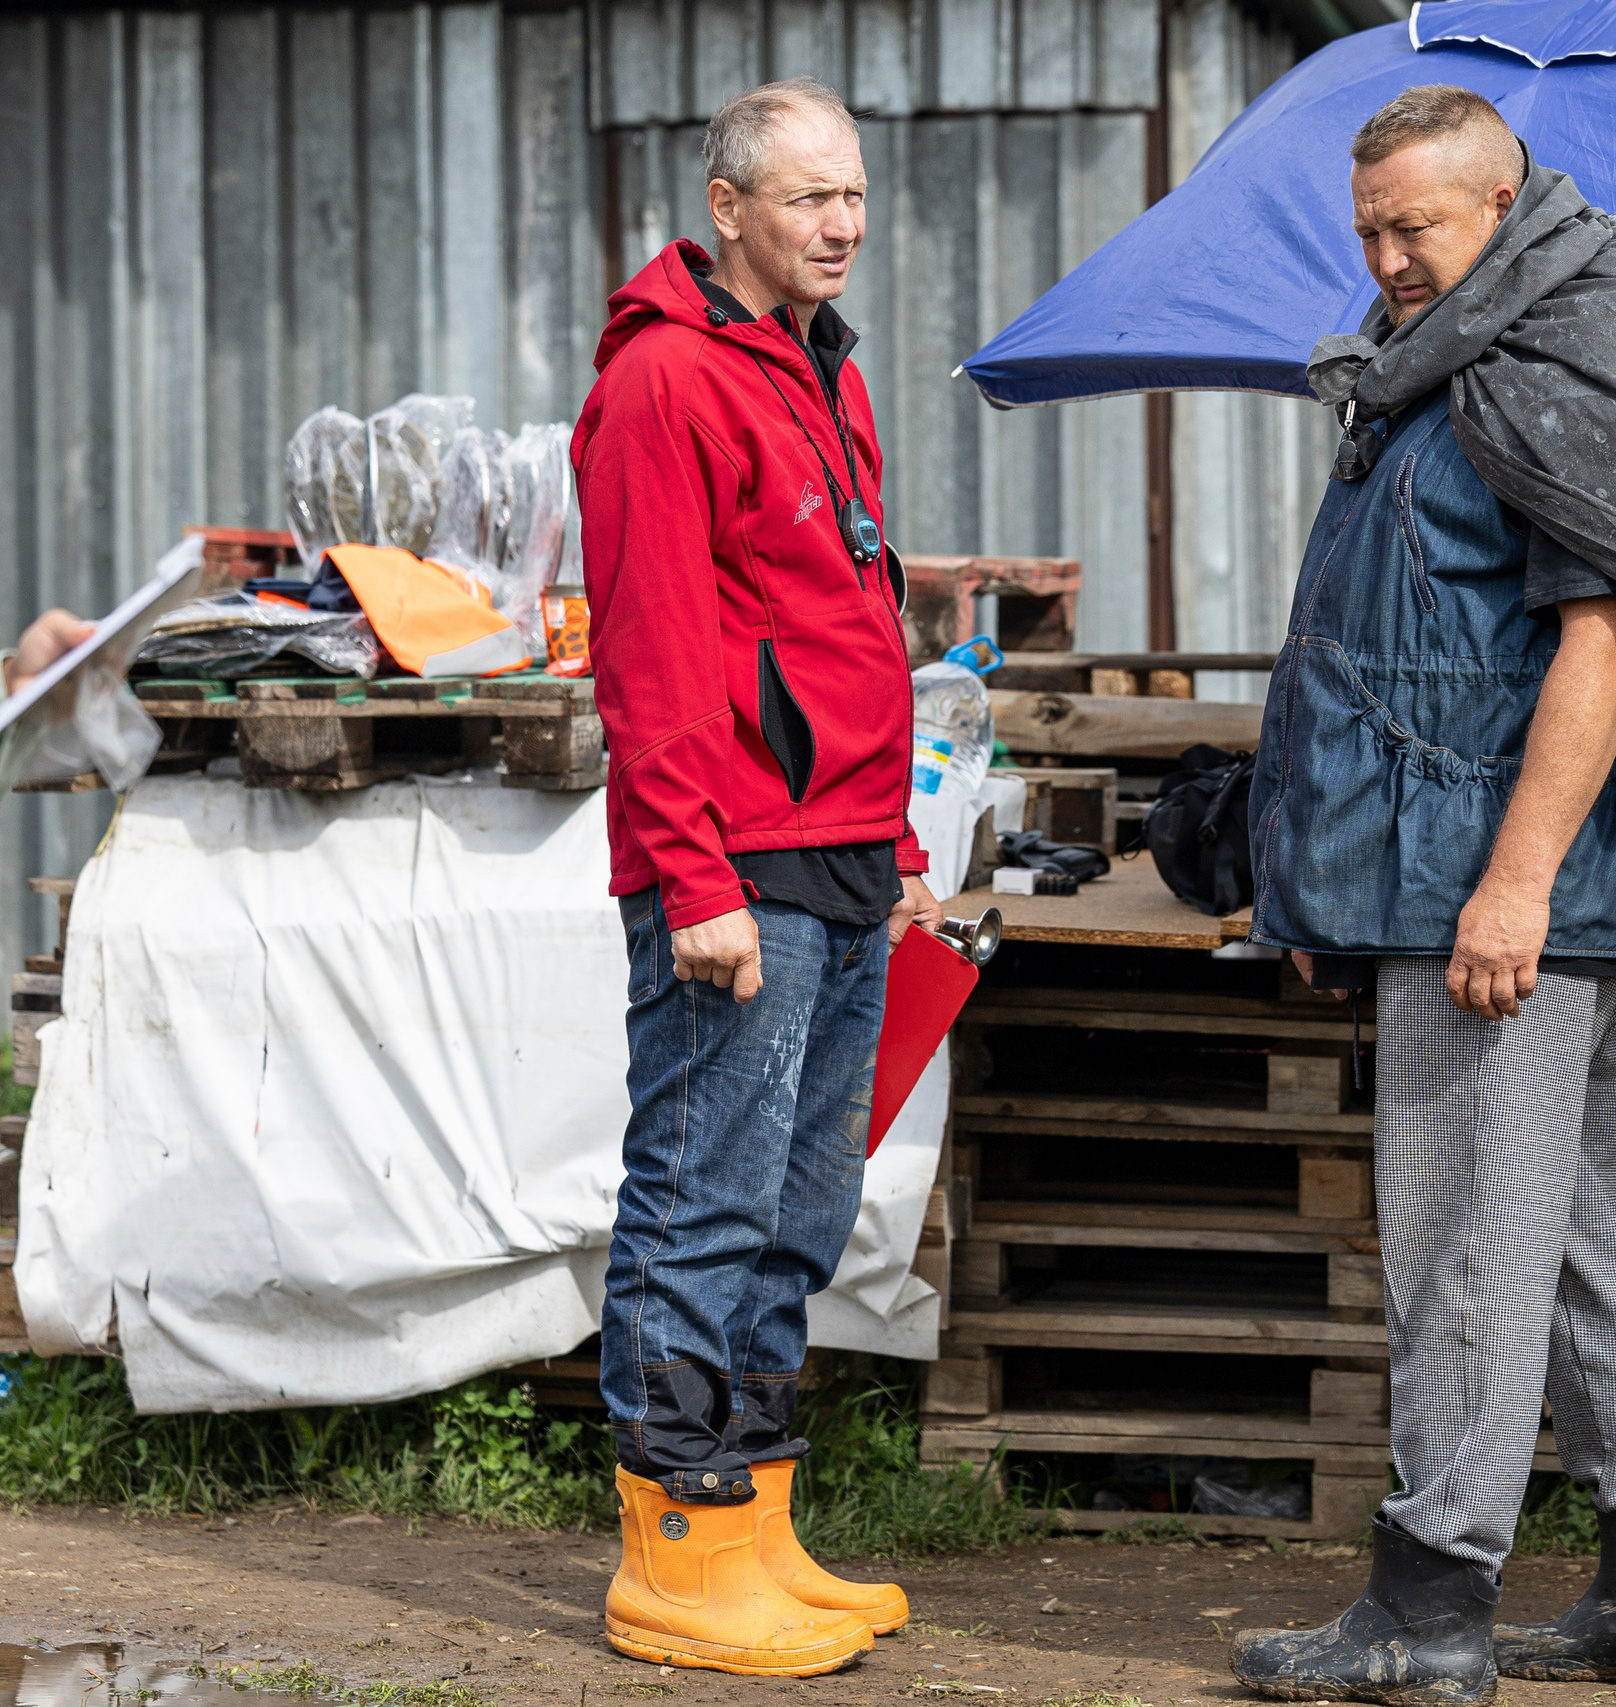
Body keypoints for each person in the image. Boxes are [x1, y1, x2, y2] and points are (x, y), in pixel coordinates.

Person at [1232, 87, 1616, 1706]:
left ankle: (1429, 1604)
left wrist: (1513, 886)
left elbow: (1608, 639)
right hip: (1446, 884)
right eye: (1369, 229)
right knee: (1576, 1231)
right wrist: (1327, 887)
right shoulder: (1441, 372)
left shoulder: (1541, 373)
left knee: (1463, 1243)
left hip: (1499, 902)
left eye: (1416, 227)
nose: (1386, 257)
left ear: (1502, 207)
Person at [572, 77, 938, 1676]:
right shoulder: (663, 381)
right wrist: (690, 872)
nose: (843, 225)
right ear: (727, 209)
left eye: (853, 195)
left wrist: (900, 843)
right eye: (809, 199)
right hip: (738, 863)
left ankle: (754, 1524)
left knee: (800, 1211)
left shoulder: (821, 368)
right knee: (702, 1200)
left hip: (842, 854)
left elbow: (848, 620)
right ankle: (672, 1556)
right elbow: (652, 654)